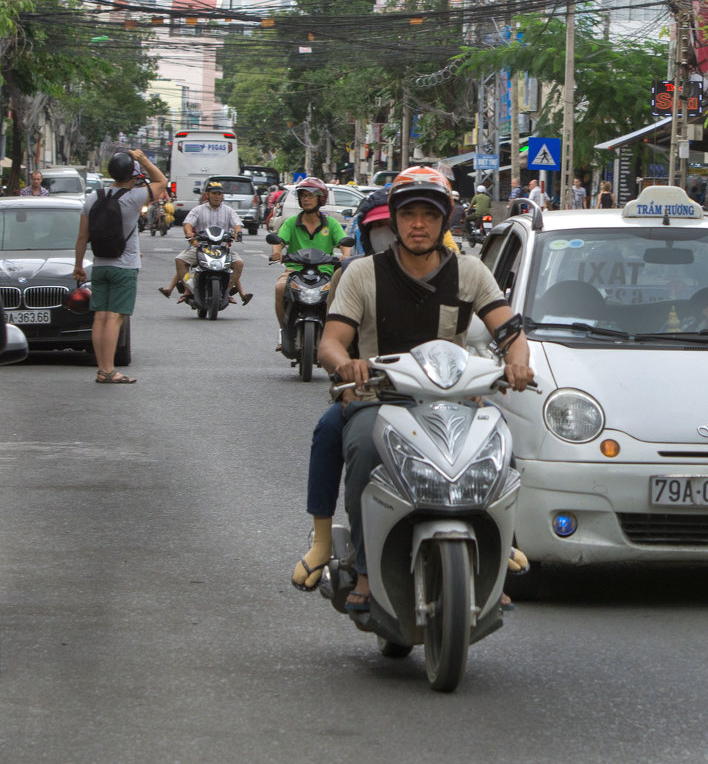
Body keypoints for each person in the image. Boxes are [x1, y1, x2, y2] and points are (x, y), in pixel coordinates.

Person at [302, 166, 533, 611]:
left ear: (445, 220)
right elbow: (330, 341)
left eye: (429, 214)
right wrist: (345, 364)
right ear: (394, 220)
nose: (419, 225)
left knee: (501, 440)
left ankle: (498, 551)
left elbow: (510, 330)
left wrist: (517, 361)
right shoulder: (361, 274)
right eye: (409, 215)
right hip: (378, 400)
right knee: (358, 447)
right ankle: (364, 568)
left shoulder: (471, 272)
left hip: (452, 401)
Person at [72, 149, 168, 384]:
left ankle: (102, 369)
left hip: (101, 264)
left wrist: (78, 266)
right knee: (115, 317)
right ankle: (109, 371)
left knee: (100, 318)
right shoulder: (134, 198)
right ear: (132, 175)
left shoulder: (93, 197)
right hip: (124, 266)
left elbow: (82, 237)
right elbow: (161, 181)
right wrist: (143, 158)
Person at [269, 177, 348, 348]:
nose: (306, 199)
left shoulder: (332, 224)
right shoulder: (291, 222)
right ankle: (283, 332)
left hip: (325, 273)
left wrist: (345, 256)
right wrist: (276, 252)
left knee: (341, 293)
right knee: (280, 288)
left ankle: (334, 336)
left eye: (311, 195)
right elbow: (279, 240)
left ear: (321, 198)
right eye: (303, 195)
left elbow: (344, 243)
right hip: (295, 271)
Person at [159, 180, 251, 304]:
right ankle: (188, 288)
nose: (217, 196)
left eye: (219, 193)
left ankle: (227, 291)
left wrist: (237, 233)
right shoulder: (198, 210)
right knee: (180, 260)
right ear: (207, 195)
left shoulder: (229, 211)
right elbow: (188, 224)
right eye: (214, 193)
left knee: (239, 263)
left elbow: (237, 225)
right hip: (201, 248)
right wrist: (189, 233)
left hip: (222, 249)